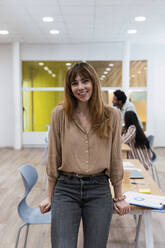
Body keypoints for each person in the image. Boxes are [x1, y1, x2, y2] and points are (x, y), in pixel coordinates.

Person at [39, 62, 130, 248]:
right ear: (69, 87)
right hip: (66, 189)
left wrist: (119, 197)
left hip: (98, 189)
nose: (80, 87)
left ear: (94, 83)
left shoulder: (111, 115)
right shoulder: (59, 114)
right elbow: (53, 157)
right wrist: (49, 196)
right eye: (74, 83)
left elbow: (115, 158)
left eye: (85, 81)